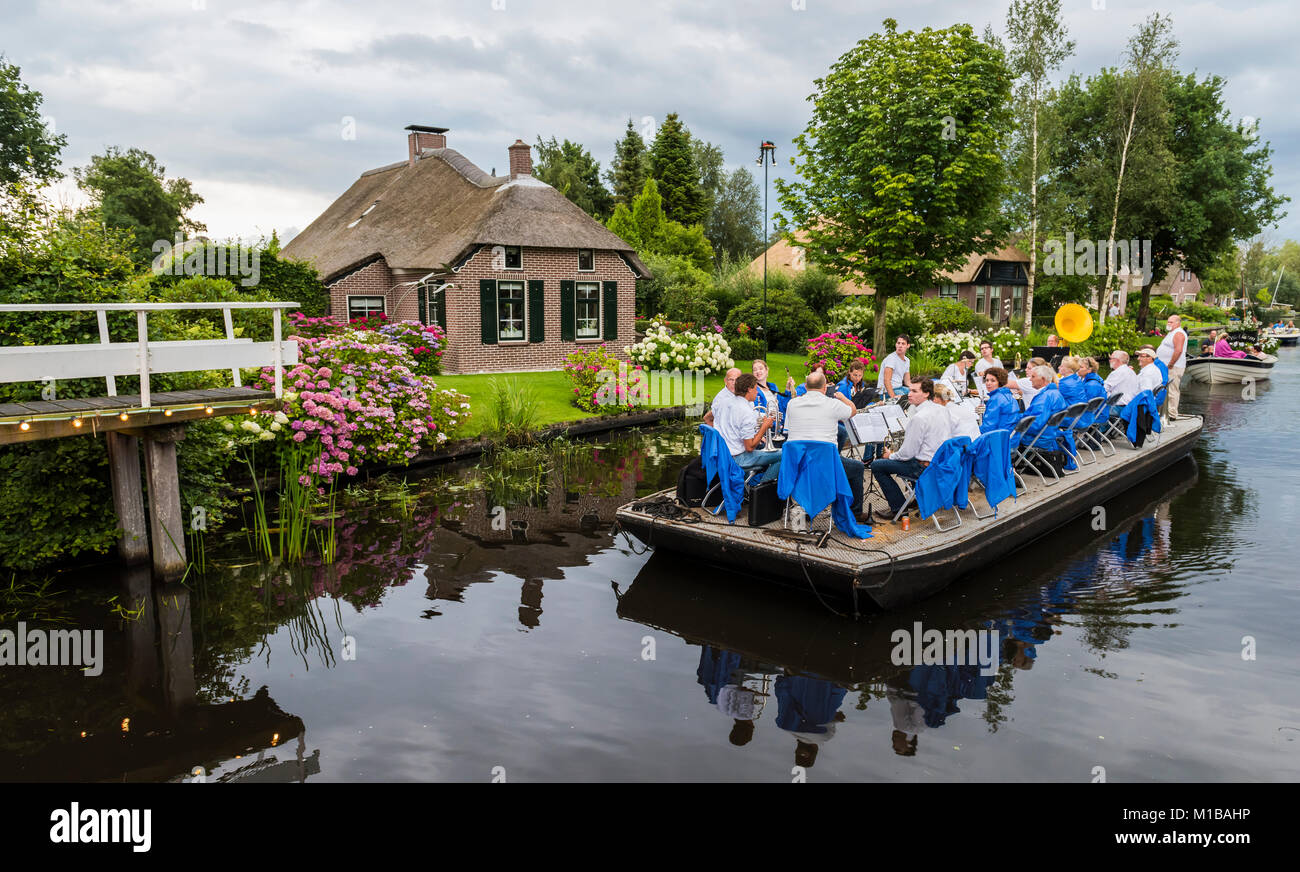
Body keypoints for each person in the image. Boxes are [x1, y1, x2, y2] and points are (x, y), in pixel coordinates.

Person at [783, 370, 867, 518]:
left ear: (806, 387)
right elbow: (853, 411)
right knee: (858, 467)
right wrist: (842, 397)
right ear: (825, 388)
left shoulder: (792, 404)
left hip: (798, 465)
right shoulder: (833, 404)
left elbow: (788, 430)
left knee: (836, 439)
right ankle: (855, 513)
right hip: (825, 466)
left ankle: (808, 503)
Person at [871, 378, 948, 521]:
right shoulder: (942, 410)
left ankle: (898, 509)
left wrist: (890, 455)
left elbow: (907, 454)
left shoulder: (918, 418)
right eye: (909, 390)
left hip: (925, 468)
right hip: (942, 464)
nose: (909, 394)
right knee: (913, 457)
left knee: (877, 465)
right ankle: (918, 500)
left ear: (926, 394)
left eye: (914, 391)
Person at [716, 373, 782, 483]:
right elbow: (750, 447)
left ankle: (749, 485)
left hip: (723, 454)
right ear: (749, 390)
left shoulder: (726, 402)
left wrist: (761, 421)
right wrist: (764, 427)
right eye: (756, 389)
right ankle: (760, 489)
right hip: (737, 459)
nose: (757, 392)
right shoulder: (745, 412)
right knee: (783, 454)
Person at [1020, 365, 1068, 473]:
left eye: (1033, 376)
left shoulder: (1044, 397)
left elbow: (1036, 425)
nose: (1030, 379)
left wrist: (1016, 423)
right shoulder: (1055, 393)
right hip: (1050, 435)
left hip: (1039, 438)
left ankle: (1010, 468)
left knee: (1005, 437)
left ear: (1042, 379)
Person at [1156, 315, 1187, 420]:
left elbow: (1178, 350)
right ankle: (1163, 411)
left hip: (1173, 367)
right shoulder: (1172, 333)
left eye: (1171, 322)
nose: (1168, 324)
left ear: (1178, 323)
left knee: (1172, 389)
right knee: (1164, 389)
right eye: (1168, 322)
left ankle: (1172, 414)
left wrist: (1170, 364)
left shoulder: (1179, 333)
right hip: (1164, 366)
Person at [979, 368, 1021, 438]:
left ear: (1000, 382)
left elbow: (988, 427)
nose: (988, 383)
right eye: (987, 380)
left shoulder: (996, 399)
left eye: (993, 381)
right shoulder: (1009, 395)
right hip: (1011, 438)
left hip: (999, 441)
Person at [751, 359, 792, 428]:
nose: (758, 371)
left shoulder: (773, 387)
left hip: (778, 425)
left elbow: (783, 407)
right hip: (765, 428)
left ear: (767, 371)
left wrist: (787, 390)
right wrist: (772, 422)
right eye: (755, 370)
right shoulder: (753, 390)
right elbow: (756, 413)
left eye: (761, 368)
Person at [1103, 350, 1139, 417]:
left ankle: (1103, 427)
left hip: (1119, 408)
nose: (1109, 360)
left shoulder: (1117, 372)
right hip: (1130, 406)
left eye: (1111, 358)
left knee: (1094, 409)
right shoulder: (1131, 371)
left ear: (1117, 360)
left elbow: (1103, 389)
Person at [877, 335, 912, 399]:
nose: (900, 346)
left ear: (908, 346)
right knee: (905, 398)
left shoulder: (907, 360)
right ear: (896, 345)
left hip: (900, 388)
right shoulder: (891, 359)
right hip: (886, 392)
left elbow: (907, 381)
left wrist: (917, 389)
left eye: (903, 344)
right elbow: (886, 380)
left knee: (917, 394)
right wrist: (894, 397)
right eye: (898, 343)